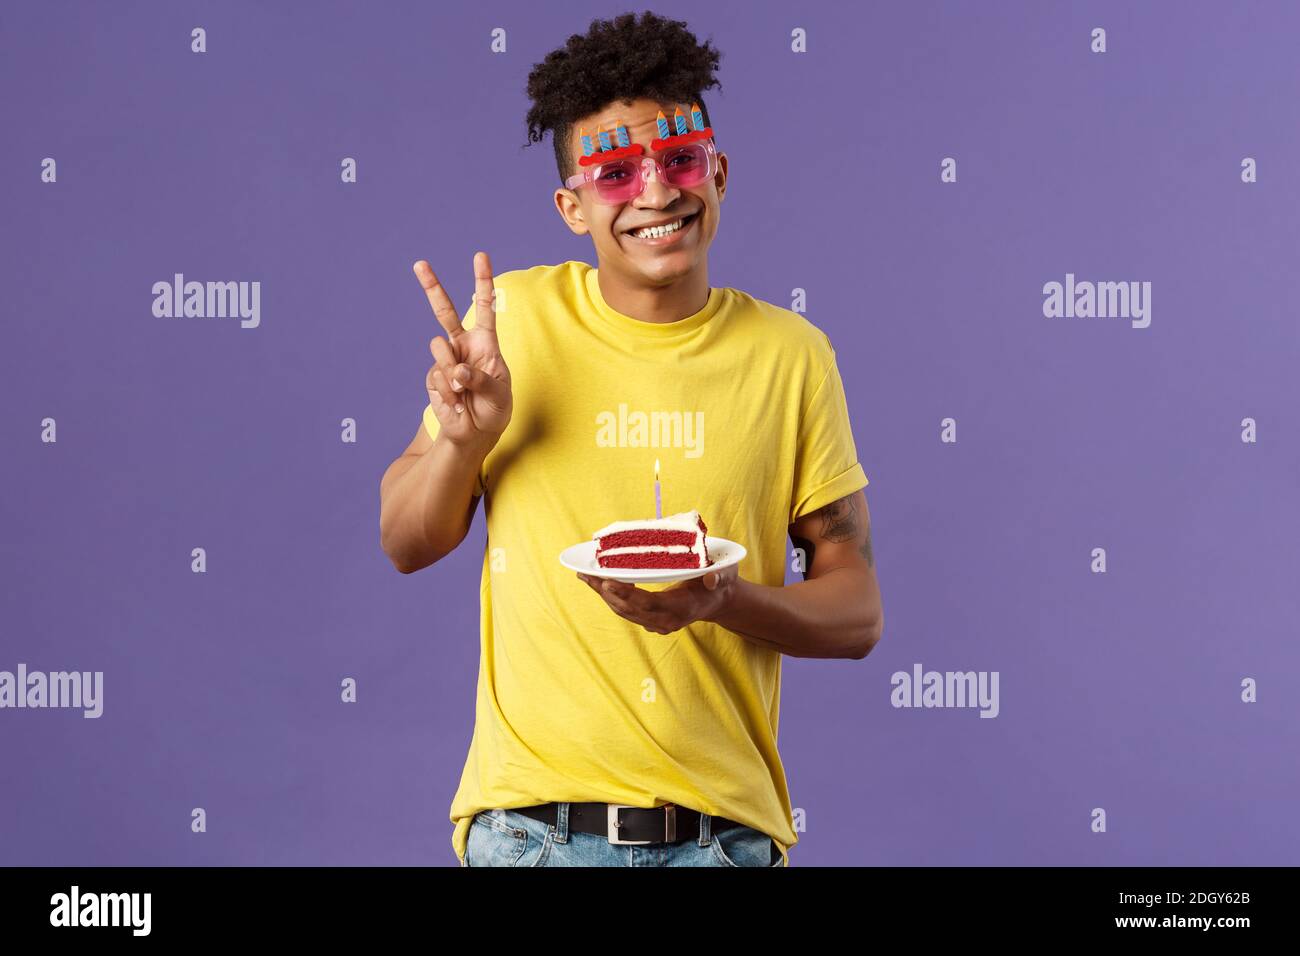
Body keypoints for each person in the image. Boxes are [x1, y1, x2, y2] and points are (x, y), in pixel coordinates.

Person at [379, 11, 884, 867]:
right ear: (572, 206)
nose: (656, 193)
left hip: (721, 842)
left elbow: (857, 610)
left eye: (679, 159)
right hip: (532, 836)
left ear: (716, 170)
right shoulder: (517, 324)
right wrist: (464, 445)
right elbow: (404, 542)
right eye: (615, 173)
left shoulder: (793, 356)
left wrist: (725, 601)